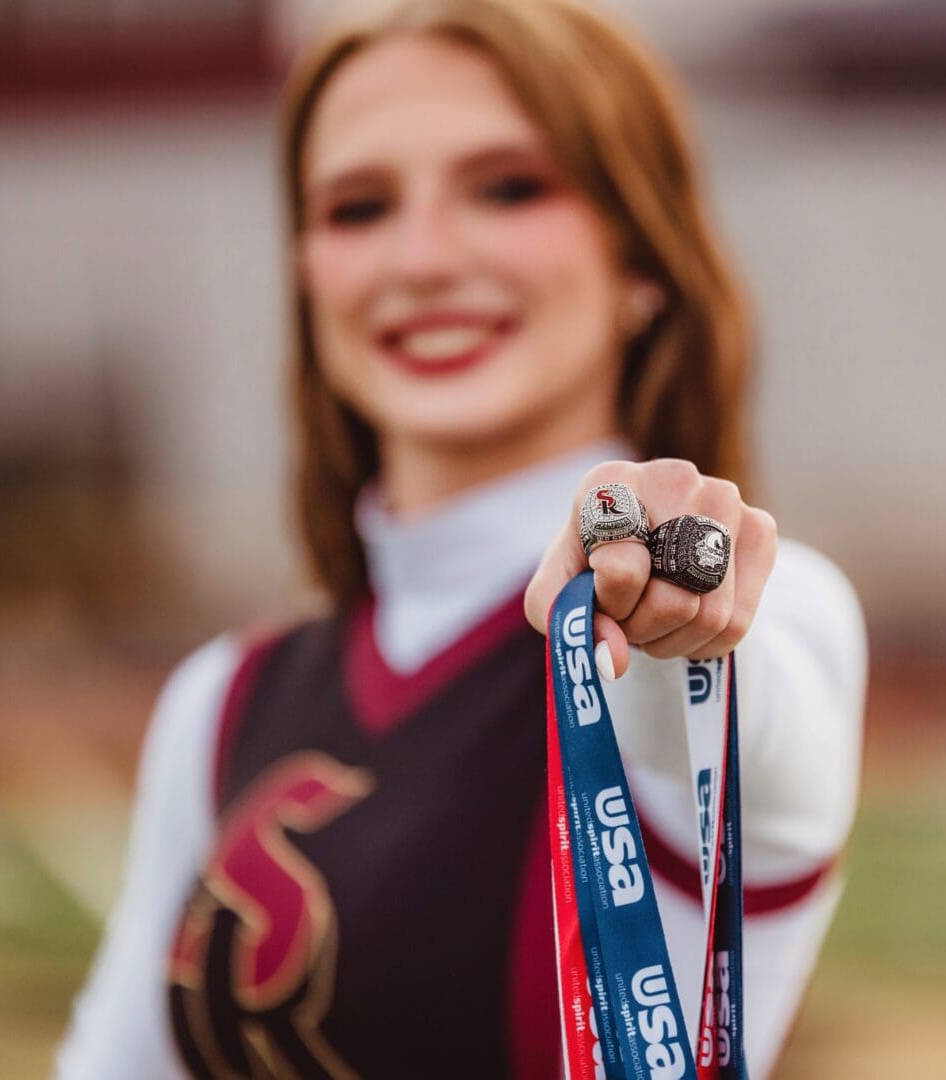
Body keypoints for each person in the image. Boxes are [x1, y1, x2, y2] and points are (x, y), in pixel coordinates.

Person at [56, 0, 865, 1076]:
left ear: (643, 256)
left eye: (510, 188)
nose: (424, 258)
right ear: (307, 274)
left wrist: (674, 591)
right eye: (358, 207)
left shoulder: (777, 611)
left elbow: (732, 681)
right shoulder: (223, 701)